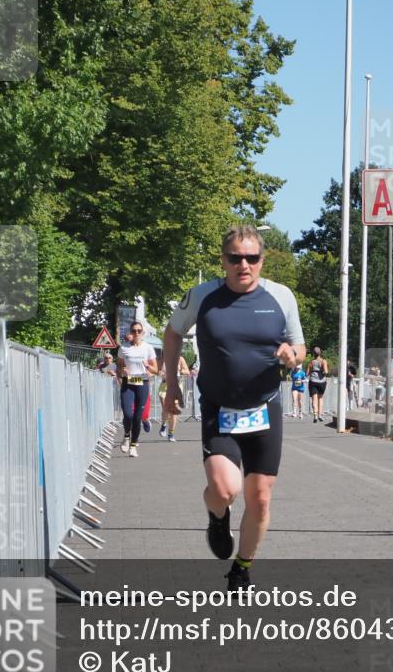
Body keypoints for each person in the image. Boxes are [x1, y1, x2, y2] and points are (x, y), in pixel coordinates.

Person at [163, 225, 305, 593]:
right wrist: (172, 384)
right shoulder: (202, 296)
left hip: (265, 406)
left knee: (259, 497)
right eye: (235, 258)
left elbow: (299, 347)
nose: (244, 265)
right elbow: (173, 331)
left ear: (262, 259)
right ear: (223, 260)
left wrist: (292, 357)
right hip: (219, 406)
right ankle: (217, 515)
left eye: (252, 258)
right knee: (225, 489)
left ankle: (242, 568)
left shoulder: (281, 296)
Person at [117, 321, 157, 458]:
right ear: (130, 332)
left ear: (143, 333)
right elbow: (119, 367)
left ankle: (133, 445)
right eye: (134, 330)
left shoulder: (148, 348)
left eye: (139, 330)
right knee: (128, 414)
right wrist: (122, 371)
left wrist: (148, 368)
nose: (137, 333)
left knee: (137, 417)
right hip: (128, 383)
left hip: (142, 382)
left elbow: (155, 370)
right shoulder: (124, 348)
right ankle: (126, 436)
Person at [158, 354, 190, 441]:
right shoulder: (162, 360)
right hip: (164, 386)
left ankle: (171, 433)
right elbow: (158, 371)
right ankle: (164, 424)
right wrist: (160, 373)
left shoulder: (180, 359)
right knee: (166, 408)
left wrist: (181, 371)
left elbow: (187, 371)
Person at [307, 347, 328, 422]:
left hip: (313, 381)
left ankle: (315, 415)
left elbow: (307, 373)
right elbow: (326, 371)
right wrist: (322, 372)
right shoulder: (323, 361)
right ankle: (320, 415)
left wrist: (312, 371)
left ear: (313, 354)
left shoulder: (311, 362)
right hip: (322, 382)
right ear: (320, 353)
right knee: (320, 398)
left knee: (314, 398)